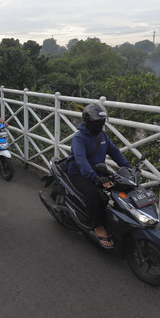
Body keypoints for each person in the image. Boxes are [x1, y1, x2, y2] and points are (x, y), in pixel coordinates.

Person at [66, 103, 130, 249]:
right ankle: (98, 226)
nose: (100, 124)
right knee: (95, 195)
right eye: (97, 122)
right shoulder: (79, 138)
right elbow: (81, 161)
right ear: (88, 121)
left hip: (98, 172)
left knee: (118, 190)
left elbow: (114, 152)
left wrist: (127, 165)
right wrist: (94, 177)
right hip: (79, 173)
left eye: (102, 121)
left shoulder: (103, 135)